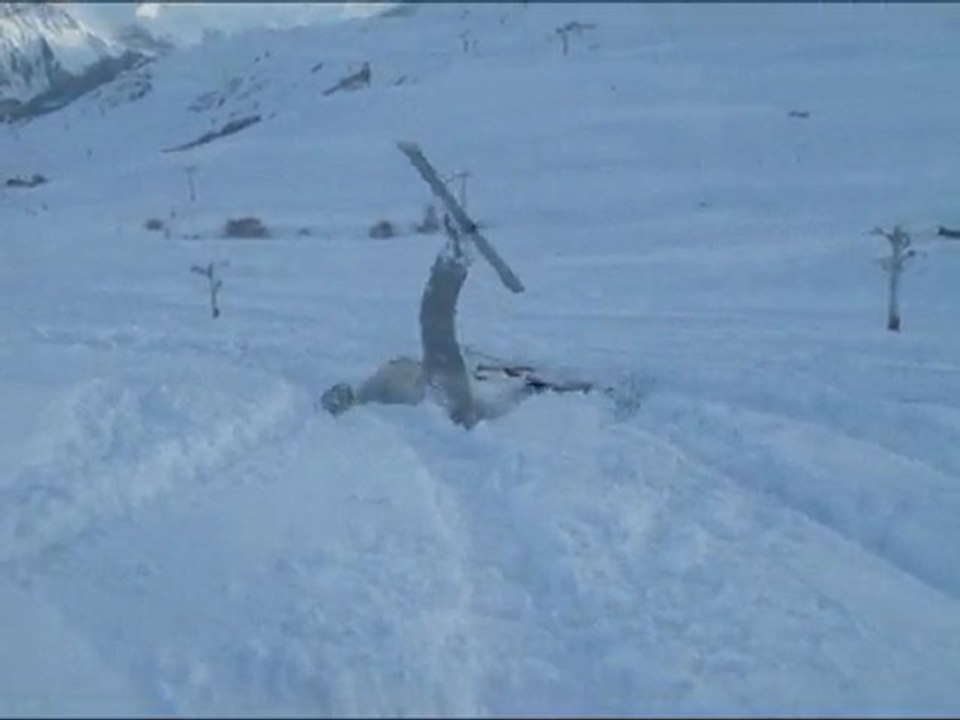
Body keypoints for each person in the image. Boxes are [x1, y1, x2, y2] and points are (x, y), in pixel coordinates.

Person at [321, 217, 592, 427]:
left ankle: (560, 393)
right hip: (439, 401)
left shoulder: (369, 397)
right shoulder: (370, 404)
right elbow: (432, 340)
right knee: (435, 326)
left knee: (505, 397)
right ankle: (454, 257)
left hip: (448, 404)